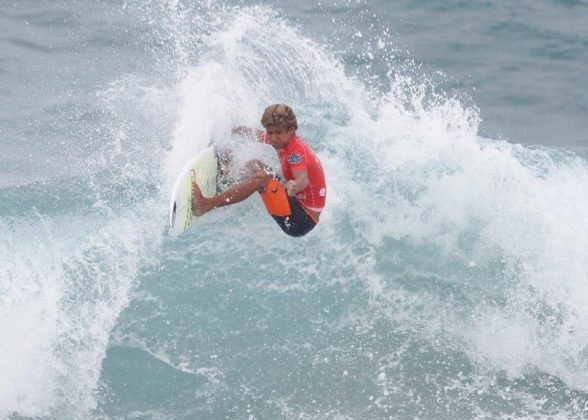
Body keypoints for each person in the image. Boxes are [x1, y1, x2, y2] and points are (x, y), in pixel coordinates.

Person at [191, 104, 326, 237]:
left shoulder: (295, 152)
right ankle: (224, 184)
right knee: (254, 164)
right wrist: (233, 129)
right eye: (270, 132)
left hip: (302, 220)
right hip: (295, 202)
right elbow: (256, 134)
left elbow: (303, 178)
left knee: (262, 180)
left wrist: (295, 185)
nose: (273, 138)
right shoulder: (282, 139)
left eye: (278, 133)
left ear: (291, 131)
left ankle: (207, 205)